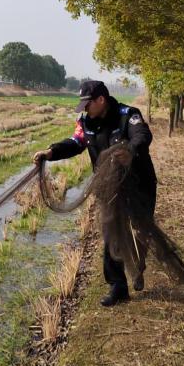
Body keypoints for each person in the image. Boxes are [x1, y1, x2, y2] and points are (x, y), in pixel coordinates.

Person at [33, 80, 157, 306]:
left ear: (101, 100)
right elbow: (75, 142)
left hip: (140, 183)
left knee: (141, 230)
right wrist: (51, 152)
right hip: (109, 185)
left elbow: (142, 135)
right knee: (111, 232)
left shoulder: (127, 114)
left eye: (87, 104)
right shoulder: (85, 121)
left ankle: (138, 264)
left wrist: (130, 150)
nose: (85, 109)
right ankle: (117, 286)